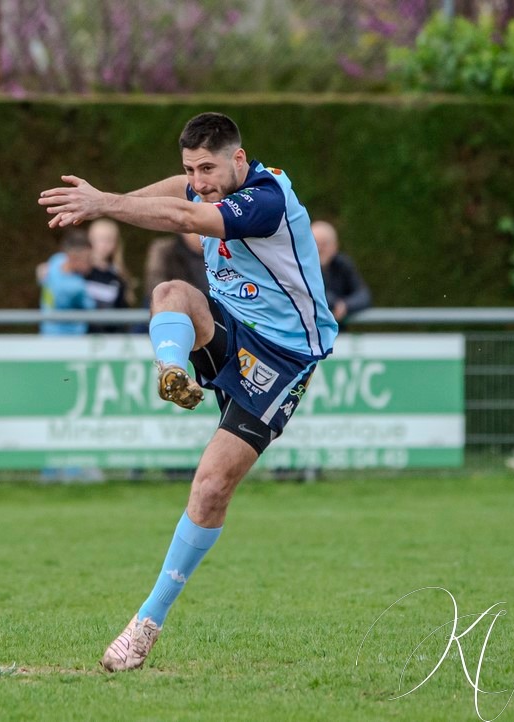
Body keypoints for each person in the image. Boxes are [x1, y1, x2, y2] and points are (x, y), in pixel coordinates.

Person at [39, 112, 338, 671]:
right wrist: (108, 201)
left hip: (282, 357)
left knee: (210, 488)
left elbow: (183, 213)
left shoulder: (265, 199)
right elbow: (177, 192)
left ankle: (146, 622)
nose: (198, 181)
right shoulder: (205, 183)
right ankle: (173, 373)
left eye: (207, 169)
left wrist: (105, 204)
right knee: (170, 291)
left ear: (238, 159)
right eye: (191, 169)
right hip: (233, 325)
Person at [311, 220, 371, 323]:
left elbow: (363, 295)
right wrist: (334, 303)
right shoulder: (299, 268)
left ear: (335, 245)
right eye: (315, 244)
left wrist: (345, 305)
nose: (319, 249)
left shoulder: (342, 265)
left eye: (324, 244)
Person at [39, 229, 95, 335]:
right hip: (70, 338)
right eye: (87, 259)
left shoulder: (56, 260)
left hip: (46, 332)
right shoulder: (76, 286)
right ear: (73, 257)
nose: (91, 263)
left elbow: (43, 279)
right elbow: (91, 308)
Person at [85, 218, 134, 334]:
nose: (104, 245)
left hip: (110, 337)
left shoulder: (119, 276)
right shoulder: (80, 272)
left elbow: (122, 311)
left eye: (109, 240)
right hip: (80, 337)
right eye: (99, 239)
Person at [144, 232, 208, 303]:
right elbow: (155, 281)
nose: (200, 237)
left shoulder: (213, 252)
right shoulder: (165, 249)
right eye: (195, 232)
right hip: (173, 300)